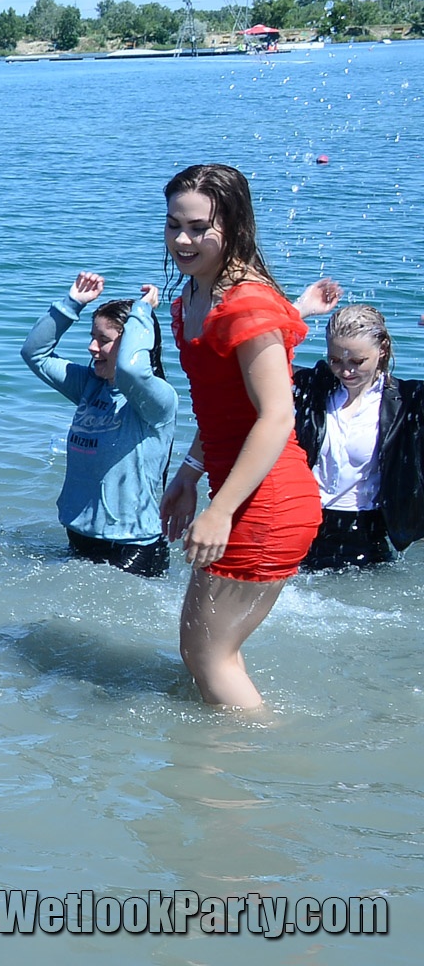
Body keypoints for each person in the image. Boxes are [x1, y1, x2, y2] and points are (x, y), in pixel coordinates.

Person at [158, 163, 321, 709]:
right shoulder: (192, 299)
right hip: (240, 489)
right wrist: (189, 474)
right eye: (174, 225)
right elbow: (224, 411)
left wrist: (221, 511)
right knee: (208, 654)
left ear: (233, 226)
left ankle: (254, 758)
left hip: (266, 501)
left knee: (208, 657)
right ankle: (234, 754)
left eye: (199, 228)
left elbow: (276, 416)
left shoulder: (247, 302)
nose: (183, 240)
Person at [21, 272, 178, 576]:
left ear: (131, 344)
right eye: (92, 337)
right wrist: (72, 303)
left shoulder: (158, 400)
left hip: (135, 544)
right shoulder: (90, 385)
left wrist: (142, 312)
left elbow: (132, 372)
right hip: (80, 534)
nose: (92, 347)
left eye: (104, 340)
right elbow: (34, 354)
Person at [291, 304, 424, 570]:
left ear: (382, 349)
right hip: (302, 523)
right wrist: (298, 312)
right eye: (336, 360)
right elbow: (249, 359)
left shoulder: (408, 401)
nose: (345, 371)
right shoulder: (313, 387)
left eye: (357, 362)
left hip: (368, 533)